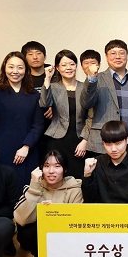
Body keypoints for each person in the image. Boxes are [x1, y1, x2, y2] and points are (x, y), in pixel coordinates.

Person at [0, 51, 45, 194]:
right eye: (11, 67)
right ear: (4, 69)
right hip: (3, 148)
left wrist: (26, 146)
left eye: (20, 67)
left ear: (26, 70)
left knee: (27, 189)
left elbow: (38, 124)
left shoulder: (34, 95)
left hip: (28, 149)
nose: (15, 71)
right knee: (3, 188)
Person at [13, 150, 83, 257]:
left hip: (65, 237)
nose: (51, 171)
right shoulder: (34, 186)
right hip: (41, 235)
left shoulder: (75, 189)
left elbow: (77, 224)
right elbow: (20, 219)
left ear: (65, 169)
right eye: (46, 166)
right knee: (26, 231)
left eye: (57, 166)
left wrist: (55, 212)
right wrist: (34, 189)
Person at [80, 39, 128, 155]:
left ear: (127, 56)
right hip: (103, 142)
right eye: (113, 53)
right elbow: (86, 103)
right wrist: (92, 78)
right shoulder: (97, 79)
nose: (118, 56)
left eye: (121, 53)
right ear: (106, 57)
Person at [39, 49, 90, 180]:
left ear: (76, 66)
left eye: (72, 64)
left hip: (79, 139)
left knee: (78, 176)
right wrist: (47, 79)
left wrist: (85, 140)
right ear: (57, 68)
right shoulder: (53, 87)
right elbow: (44, 103)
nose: (69, 68)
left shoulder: (84, 87)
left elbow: (91, 116)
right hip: (57, 139)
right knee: (57, 176)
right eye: (64, 65)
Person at [82, 120, 128, 208]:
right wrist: (87, 175)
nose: (113, 149)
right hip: (103, 213)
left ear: (127, 140)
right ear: (103, 143)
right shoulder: (96, 164)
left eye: (118, 143)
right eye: (108, 144)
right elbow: (89, 201)